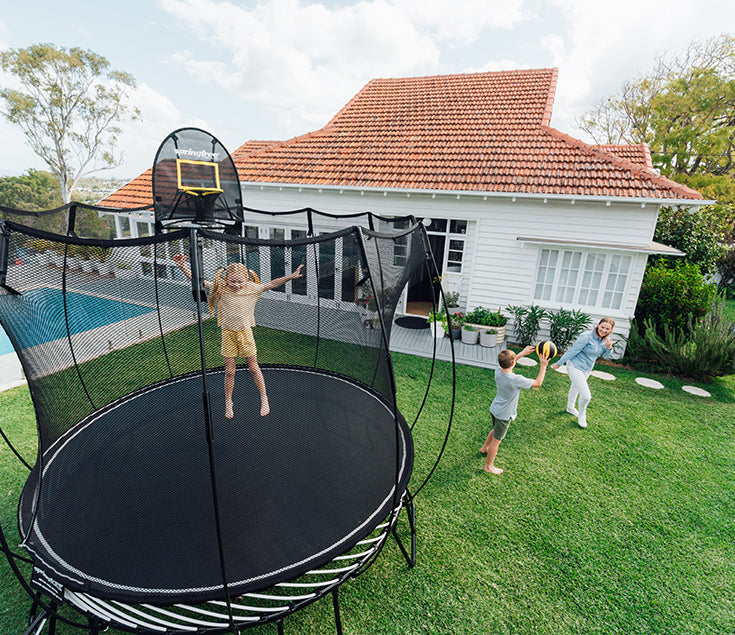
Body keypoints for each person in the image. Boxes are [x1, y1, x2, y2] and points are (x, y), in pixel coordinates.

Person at [173, 253, 303, 418]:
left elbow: (272, 283)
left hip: (245, 333)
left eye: (240, 281)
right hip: (227, 334)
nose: (236, 285)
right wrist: (182, 266)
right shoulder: (221, 288)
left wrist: (291, 276)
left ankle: (264, 398)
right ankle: (229, 402)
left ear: (246, 280)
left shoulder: (252, 289)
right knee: (229, 372)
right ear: (226, 279)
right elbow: (200, 281)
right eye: (233, 281)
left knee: (254, 368)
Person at [480, 345, 549, 475]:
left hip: (495, 409)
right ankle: (488, 466)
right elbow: (538, 382)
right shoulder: (516, 380)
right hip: (504, 414)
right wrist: (543, 366)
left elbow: (507, 364)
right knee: (497, 440)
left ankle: (484, 448)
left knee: (495, 430)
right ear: (513, 363)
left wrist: (521, 354)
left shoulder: (498, 371)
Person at [551, 317, 615, 429]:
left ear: (610, 330)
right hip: (575, 366)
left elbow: (605, 356)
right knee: (586, 396)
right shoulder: (586, 336)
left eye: (607, 329)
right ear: (598, 325)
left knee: (575, 387)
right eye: (602, 327)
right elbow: (573, 350)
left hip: (587, 369)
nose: (604, 330)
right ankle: (582, 414)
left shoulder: (605, 341)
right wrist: (559, 363)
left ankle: (570, 408)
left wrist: (609, 347)